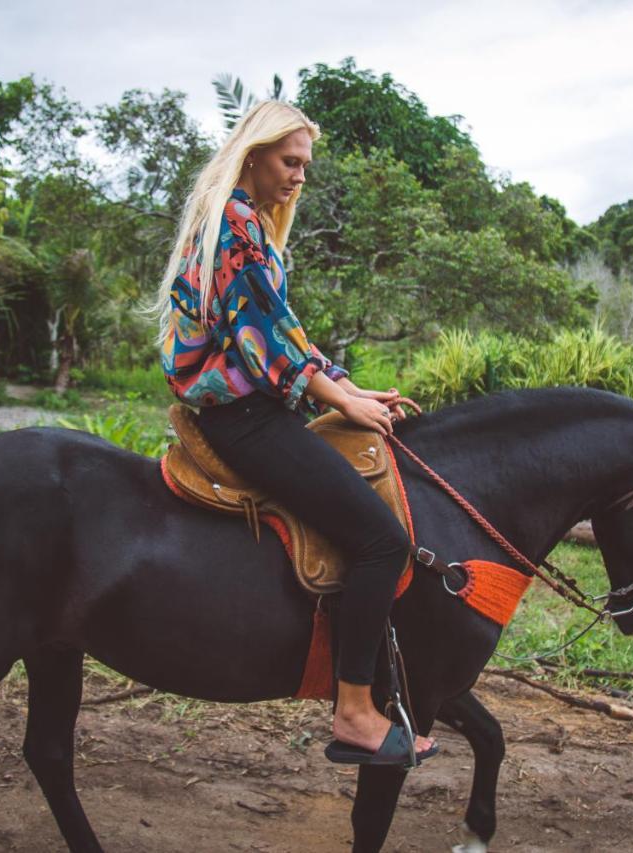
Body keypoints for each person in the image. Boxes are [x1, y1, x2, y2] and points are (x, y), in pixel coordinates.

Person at [154, 100, 436, 766]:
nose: (299, 177)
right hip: (242, 417)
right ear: (253, 154)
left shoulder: (247, 223)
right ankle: (356, 712)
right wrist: (341, 398)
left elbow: (287, 330)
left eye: (306, 165)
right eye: (290, 161)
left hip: (256, 407)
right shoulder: (233, 223)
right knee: (380, 538)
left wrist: (350, 386)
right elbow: (267, 342)